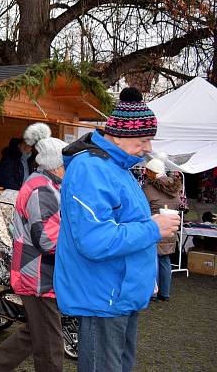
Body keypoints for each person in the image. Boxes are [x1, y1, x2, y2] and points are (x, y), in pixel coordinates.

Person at [54, 87, 180, 372]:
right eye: (144, 139)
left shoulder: (118, 168)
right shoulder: (91, 169)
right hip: (104, 295)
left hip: (119, 292)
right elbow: (95, 240)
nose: (148, 148)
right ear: (120, 134)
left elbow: (126, 228)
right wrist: (153, 228)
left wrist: (146, 273)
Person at [0, 135, 69, 372]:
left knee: (36, 331)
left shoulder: (45, 184)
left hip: (38, 269)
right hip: (39, 272)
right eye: (67, 164)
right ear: (56, 165)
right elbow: (48, 240)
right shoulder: (43, 190)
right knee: (50, 343)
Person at [142, 158, 183, 302]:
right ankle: (164, 293)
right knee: (165, 260)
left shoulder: (148, 188)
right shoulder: (175, 188)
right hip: (170, 228)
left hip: (154, 226)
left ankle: (152, 292)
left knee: (152, 260)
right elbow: (179, 205)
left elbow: (142, 207)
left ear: (152, 172)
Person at [0, 122, 50, 190]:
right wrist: (22, 191)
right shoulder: (10, 155)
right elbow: (7, 180)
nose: (31, 149)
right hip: (9, 194)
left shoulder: (30, 159)